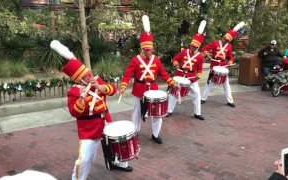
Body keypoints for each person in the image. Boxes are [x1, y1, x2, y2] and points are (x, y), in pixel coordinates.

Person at [50, 40, 133, 180]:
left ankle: (118, 164)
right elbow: (73, 112)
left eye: (90, 73)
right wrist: (81, 99)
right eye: (87, 75)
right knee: (85, 160)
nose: (91, 75)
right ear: (80, 80)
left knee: (117, 145)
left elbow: (112, 89)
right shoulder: (74, 92)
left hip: (105, 122)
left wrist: (100, 88)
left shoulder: (96, 82)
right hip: (89, 130)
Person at [119, 15, 180, 144]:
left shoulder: (156, 59)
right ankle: (134, 132)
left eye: (150, 50)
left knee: (157, 113)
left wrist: (172, 83)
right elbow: (127, 74)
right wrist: (123, 86)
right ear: (142, 49)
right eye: (146, 50)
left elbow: (163, 74)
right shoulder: (136, 60)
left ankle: (155, 134)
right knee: (136, 113)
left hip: (153, 89)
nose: (149, 52)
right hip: (139, 90)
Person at [166, 20, 207, 120]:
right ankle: (169, 111)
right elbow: (175, 59)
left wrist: (199, 75)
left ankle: (197, 113)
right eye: (191, 45)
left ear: (198, 47)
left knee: (197, 94)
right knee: (174, 93)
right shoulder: (184, 51)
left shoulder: (200, 57)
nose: (192, 47)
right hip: (180, 74)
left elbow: (200, 69)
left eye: (194, 46)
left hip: (191, 77)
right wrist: (176, 65)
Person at [201, 21, 245, 108]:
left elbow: (231, 57)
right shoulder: (215, 43)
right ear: (223, 37)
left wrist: (230, 63)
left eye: (227, 40)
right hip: (214, 64)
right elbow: (204, 48)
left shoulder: (229, 47)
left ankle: (230, 101)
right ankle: (203, 98)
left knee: (226, 84)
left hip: (223, 65)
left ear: (229, 41)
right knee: (209, 82)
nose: (225, 40)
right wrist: (208, 55)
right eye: (224, 38)